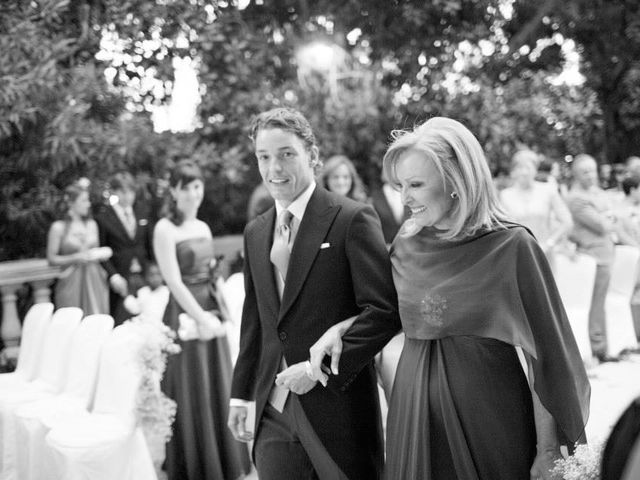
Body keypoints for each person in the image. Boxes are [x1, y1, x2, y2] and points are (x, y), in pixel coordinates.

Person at [308, 117, 590, 480]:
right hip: (412, 421)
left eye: (416, 184)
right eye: (400, 185)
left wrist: (547, 450)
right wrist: (340, 329)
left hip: (491, 426)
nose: (404, 198)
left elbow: (547, 359)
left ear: (455, 181)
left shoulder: (513, 247)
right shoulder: (407, 245)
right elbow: (390, 312)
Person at [227, 108, 400, 480]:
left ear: (312, 156)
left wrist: (316, 369)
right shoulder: (256, 232)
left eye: (287, 154)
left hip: (339, 411)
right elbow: (255, 319)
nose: (275, 167)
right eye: (264, 156)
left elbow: (384, 311)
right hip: (273, 412)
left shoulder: (352, 218)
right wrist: (241, 393)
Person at [153, 160, 251, 480]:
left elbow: (211, 273)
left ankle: (222, 457)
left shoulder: (204, 227)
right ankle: (194, 461)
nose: (194, 194)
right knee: (190, 381)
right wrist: (200, 318)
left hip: (209, 305)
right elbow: (173, 281)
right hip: (184, 311)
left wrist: (223, 310)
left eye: (198, 186)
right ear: (174, 191)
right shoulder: (164, 229)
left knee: (216, 379)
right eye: (186, 187)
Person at [566, 154, 620, 362]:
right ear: (576, 175)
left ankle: (602, 346)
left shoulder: (596, 193)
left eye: (592, 170)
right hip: (592, 256)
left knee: (601, 302)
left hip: (606, 253)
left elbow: (615, 215)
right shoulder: (576, 198)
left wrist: (608, 216)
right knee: (594, 304)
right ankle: (598, 349)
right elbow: (603, 225)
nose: (590, 175)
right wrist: (608, 216)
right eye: (585, 172)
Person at [95, 172, 153, 325]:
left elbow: (149, 245)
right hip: (121, 277)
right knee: (123, 322)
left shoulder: (142, 212)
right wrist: (113, 276)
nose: (127, 196)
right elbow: (102, 251)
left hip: (143, 274)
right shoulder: (103, 217)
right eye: (123, 191)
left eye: (130, 191)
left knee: (149, 318)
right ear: (114, 192)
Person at [47, 180, 111, 314]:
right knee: (71, 317)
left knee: (96, 318)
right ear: (71, 203)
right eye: (84, 201)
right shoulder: (58, 228)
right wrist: (76, 257)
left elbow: (96, 251)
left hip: (94, 278)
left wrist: (100, 253)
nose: (88, 204)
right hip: (71, 279)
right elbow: (52, 259)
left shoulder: (92, 224)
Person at [500, 150, 573, 256]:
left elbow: (567, 222)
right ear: (513, 171)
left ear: (535, 170)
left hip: (545, 252)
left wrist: (550, 243)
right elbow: (503, 227)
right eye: (520, 168)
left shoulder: (548, 190)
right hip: (517, 253)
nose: (524, 172)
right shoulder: (505, 195)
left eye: (528, 168)